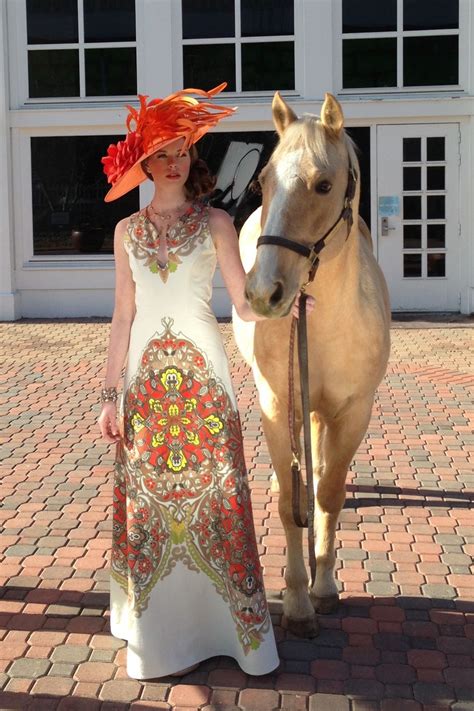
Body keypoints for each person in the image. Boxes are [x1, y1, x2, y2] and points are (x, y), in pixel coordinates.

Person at [97, 83, 314, 680]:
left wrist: (283, 303)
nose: (173, 162)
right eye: (162, 152)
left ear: (193, 158)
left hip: (203, 378)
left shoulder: (216, 220)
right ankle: (159, 636)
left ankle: (230, 632)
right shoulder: (125, 232)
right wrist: (109, 395)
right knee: (152, 505)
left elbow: (244, 304)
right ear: (142, 162)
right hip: (145, 378)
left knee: (216, 496)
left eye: (182, 151)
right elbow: (122, 315)